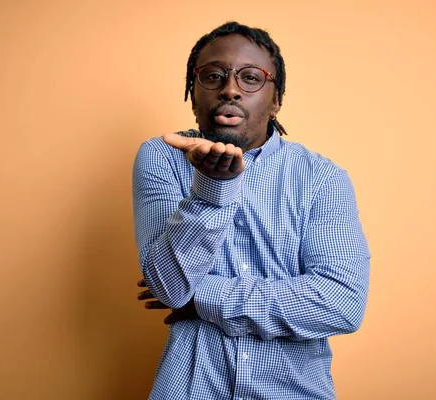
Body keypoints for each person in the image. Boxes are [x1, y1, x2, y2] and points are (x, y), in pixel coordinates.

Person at [133, 21, 370, 400]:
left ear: (276, 100)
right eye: (213, 76)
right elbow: (169, 287)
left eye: (250, 78)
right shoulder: (161, 155)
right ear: (192, 94)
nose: (230, 89)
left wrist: (202, 297)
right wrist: (213, 188)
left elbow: (340, 304)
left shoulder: (323, 178)